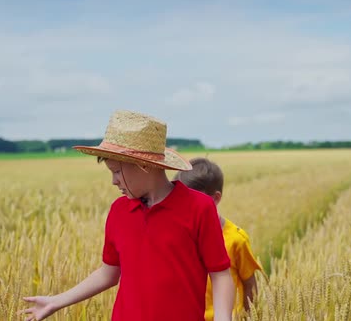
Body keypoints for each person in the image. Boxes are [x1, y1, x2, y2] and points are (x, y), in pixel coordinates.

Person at [19, 110, 235, 321]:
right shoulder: (119, 211)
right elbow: (108, 273)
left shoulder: (199, 207)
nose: (114, 181)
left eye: (116, 171)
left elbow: (220, 273)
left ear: (143, 166)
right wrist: (57, 301)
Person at [174, 157, 263, 321]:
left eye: (191, 201)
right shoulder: (178, 236)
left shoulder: (236, 239)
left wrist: (248, 316)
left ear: (215, 198)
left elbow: (250, 284)